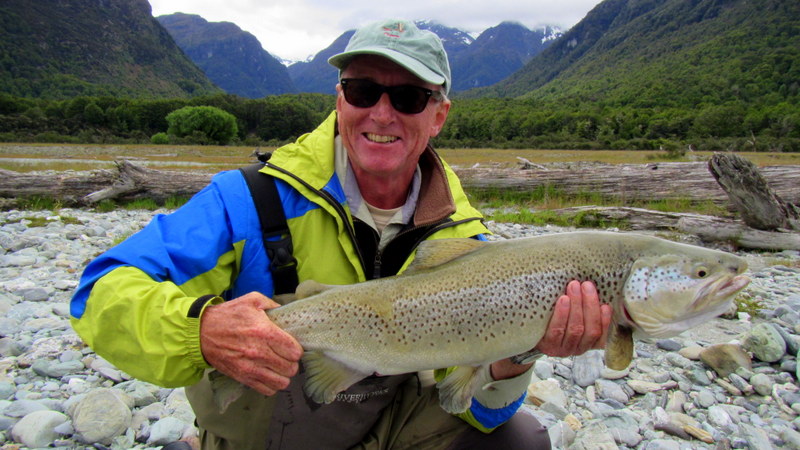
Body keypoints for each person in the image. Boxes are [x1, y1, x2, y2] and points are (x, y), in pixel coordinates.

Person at [70, 19, 611, 449]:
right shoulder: (249, 201)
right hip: (266, 438)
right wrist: (202, 329)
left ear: (439, 115)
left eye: (408, 98)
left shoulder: (465, 239)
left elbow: (476, 409)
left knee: (519, 441)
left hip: (391, 430)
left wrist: (518, 357)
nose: (382, 112)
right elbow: (99, 290)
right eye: (363, 89)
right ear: (339, 98)